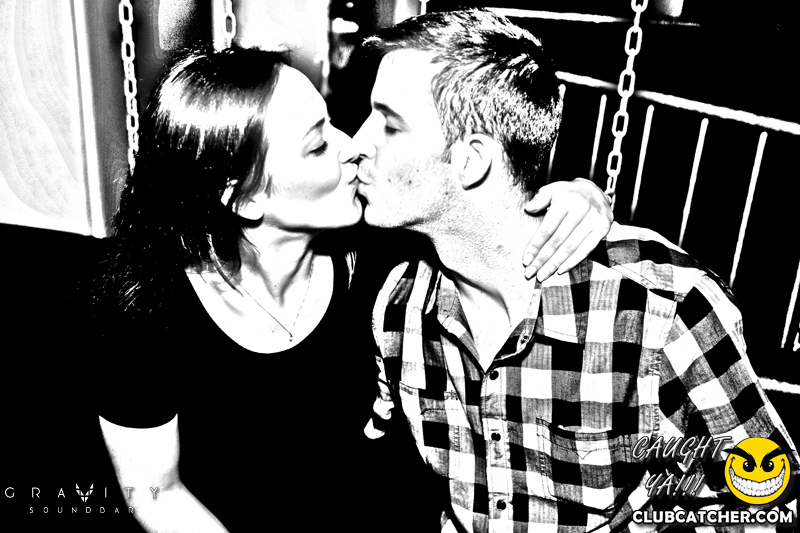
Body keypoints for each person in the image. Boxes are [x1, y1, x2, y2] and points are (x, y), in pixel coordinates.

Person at [86, 44, 612, 532]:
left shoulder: (381, 253)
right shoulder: (143, 304)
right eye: (318, 146)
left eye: (332, 122)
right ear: (244, 199)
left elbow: (480, 213)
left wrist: (577, 199)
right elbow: (155, 492)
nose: (352, 147)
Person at [357, 9, 799, 533]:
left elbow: (769, 505)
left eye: (389, 124)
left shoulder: (661, 310)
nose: (358, 142)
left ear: (471, 161)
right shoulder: (401, 307)